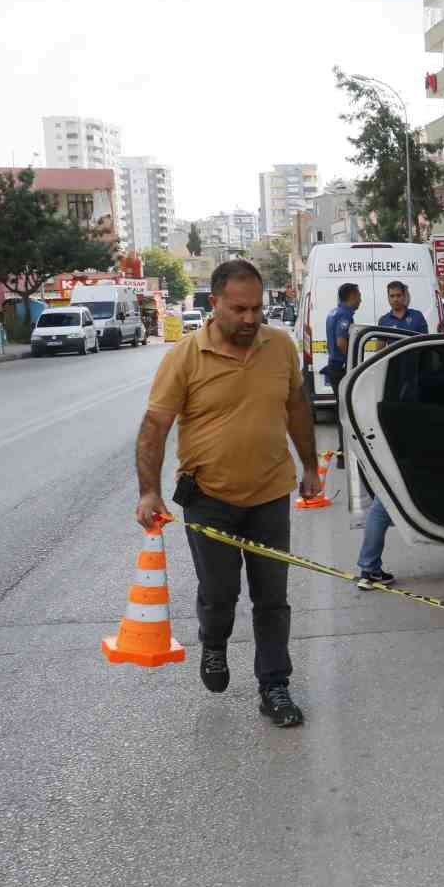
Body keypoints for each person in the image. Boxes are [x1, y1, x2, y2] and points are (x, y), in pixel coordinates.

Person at [134, 259, 324, 728]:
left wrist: (311, 467)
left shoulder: (279, 346)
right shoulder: (184, 356)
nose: (250, 318)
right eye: (239, 309)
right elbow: (155, 426)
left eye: (257, 308)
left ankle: (274, 683)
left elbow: (296, 407)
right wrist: (148, 492)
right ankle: (214, 644)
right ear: (214, 302)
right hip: (209, 499)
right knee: (219, 594)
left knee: (272, 597)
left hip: (269, 495)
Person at [323, 282, 360, 396]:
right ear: (352, 297)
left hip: (333, 364)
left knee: (340, 402)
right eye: (359, 297)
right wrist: (351, 363)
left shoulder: (333, 312)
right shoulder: (345, 315)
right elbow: (341, 342)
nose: (360, 300)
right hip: (340, 367)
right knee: (345, 402)